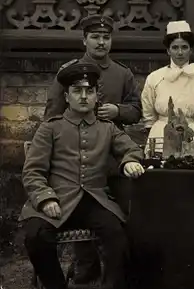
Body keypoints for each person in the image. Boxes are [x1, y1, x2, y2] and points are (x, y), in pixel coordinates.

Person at [20, 62, 145, 289]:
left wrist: (130, 161)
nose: (84, 96)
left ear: (97, 95)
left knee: (118, 238)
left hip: (94, 200)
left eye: (90, 90)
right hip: (57, 199)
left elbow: (131, 148)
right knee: (35, 237)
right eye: (78, 91)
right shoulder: (50, 128)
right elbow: (32, 171)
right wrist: (45, 198)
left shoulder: (107, 128)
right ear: (67, 96)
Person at [44, 14, 143, 284]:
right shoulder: (70, 71)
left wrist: (117, 110)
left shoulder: (123, 73)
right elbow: (52, 112)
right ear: (84, 40)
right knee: (78, 201)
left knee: (120, 216)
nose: (101, 42)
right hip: (76, 155)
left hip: (114, 158)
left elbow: (136, 111)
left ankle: (120, 270)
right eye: (95, 37)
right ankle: (86, 264)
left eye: (106, 37)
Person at [141, 20, 194, 156]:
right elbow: (148, 113)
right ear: (168, 50)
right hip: (160, 134)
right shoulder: (154, 78)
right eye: (175, 48)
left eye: (184, 47)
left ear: (191, 50)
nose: (180, 52)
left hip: (191, 134)